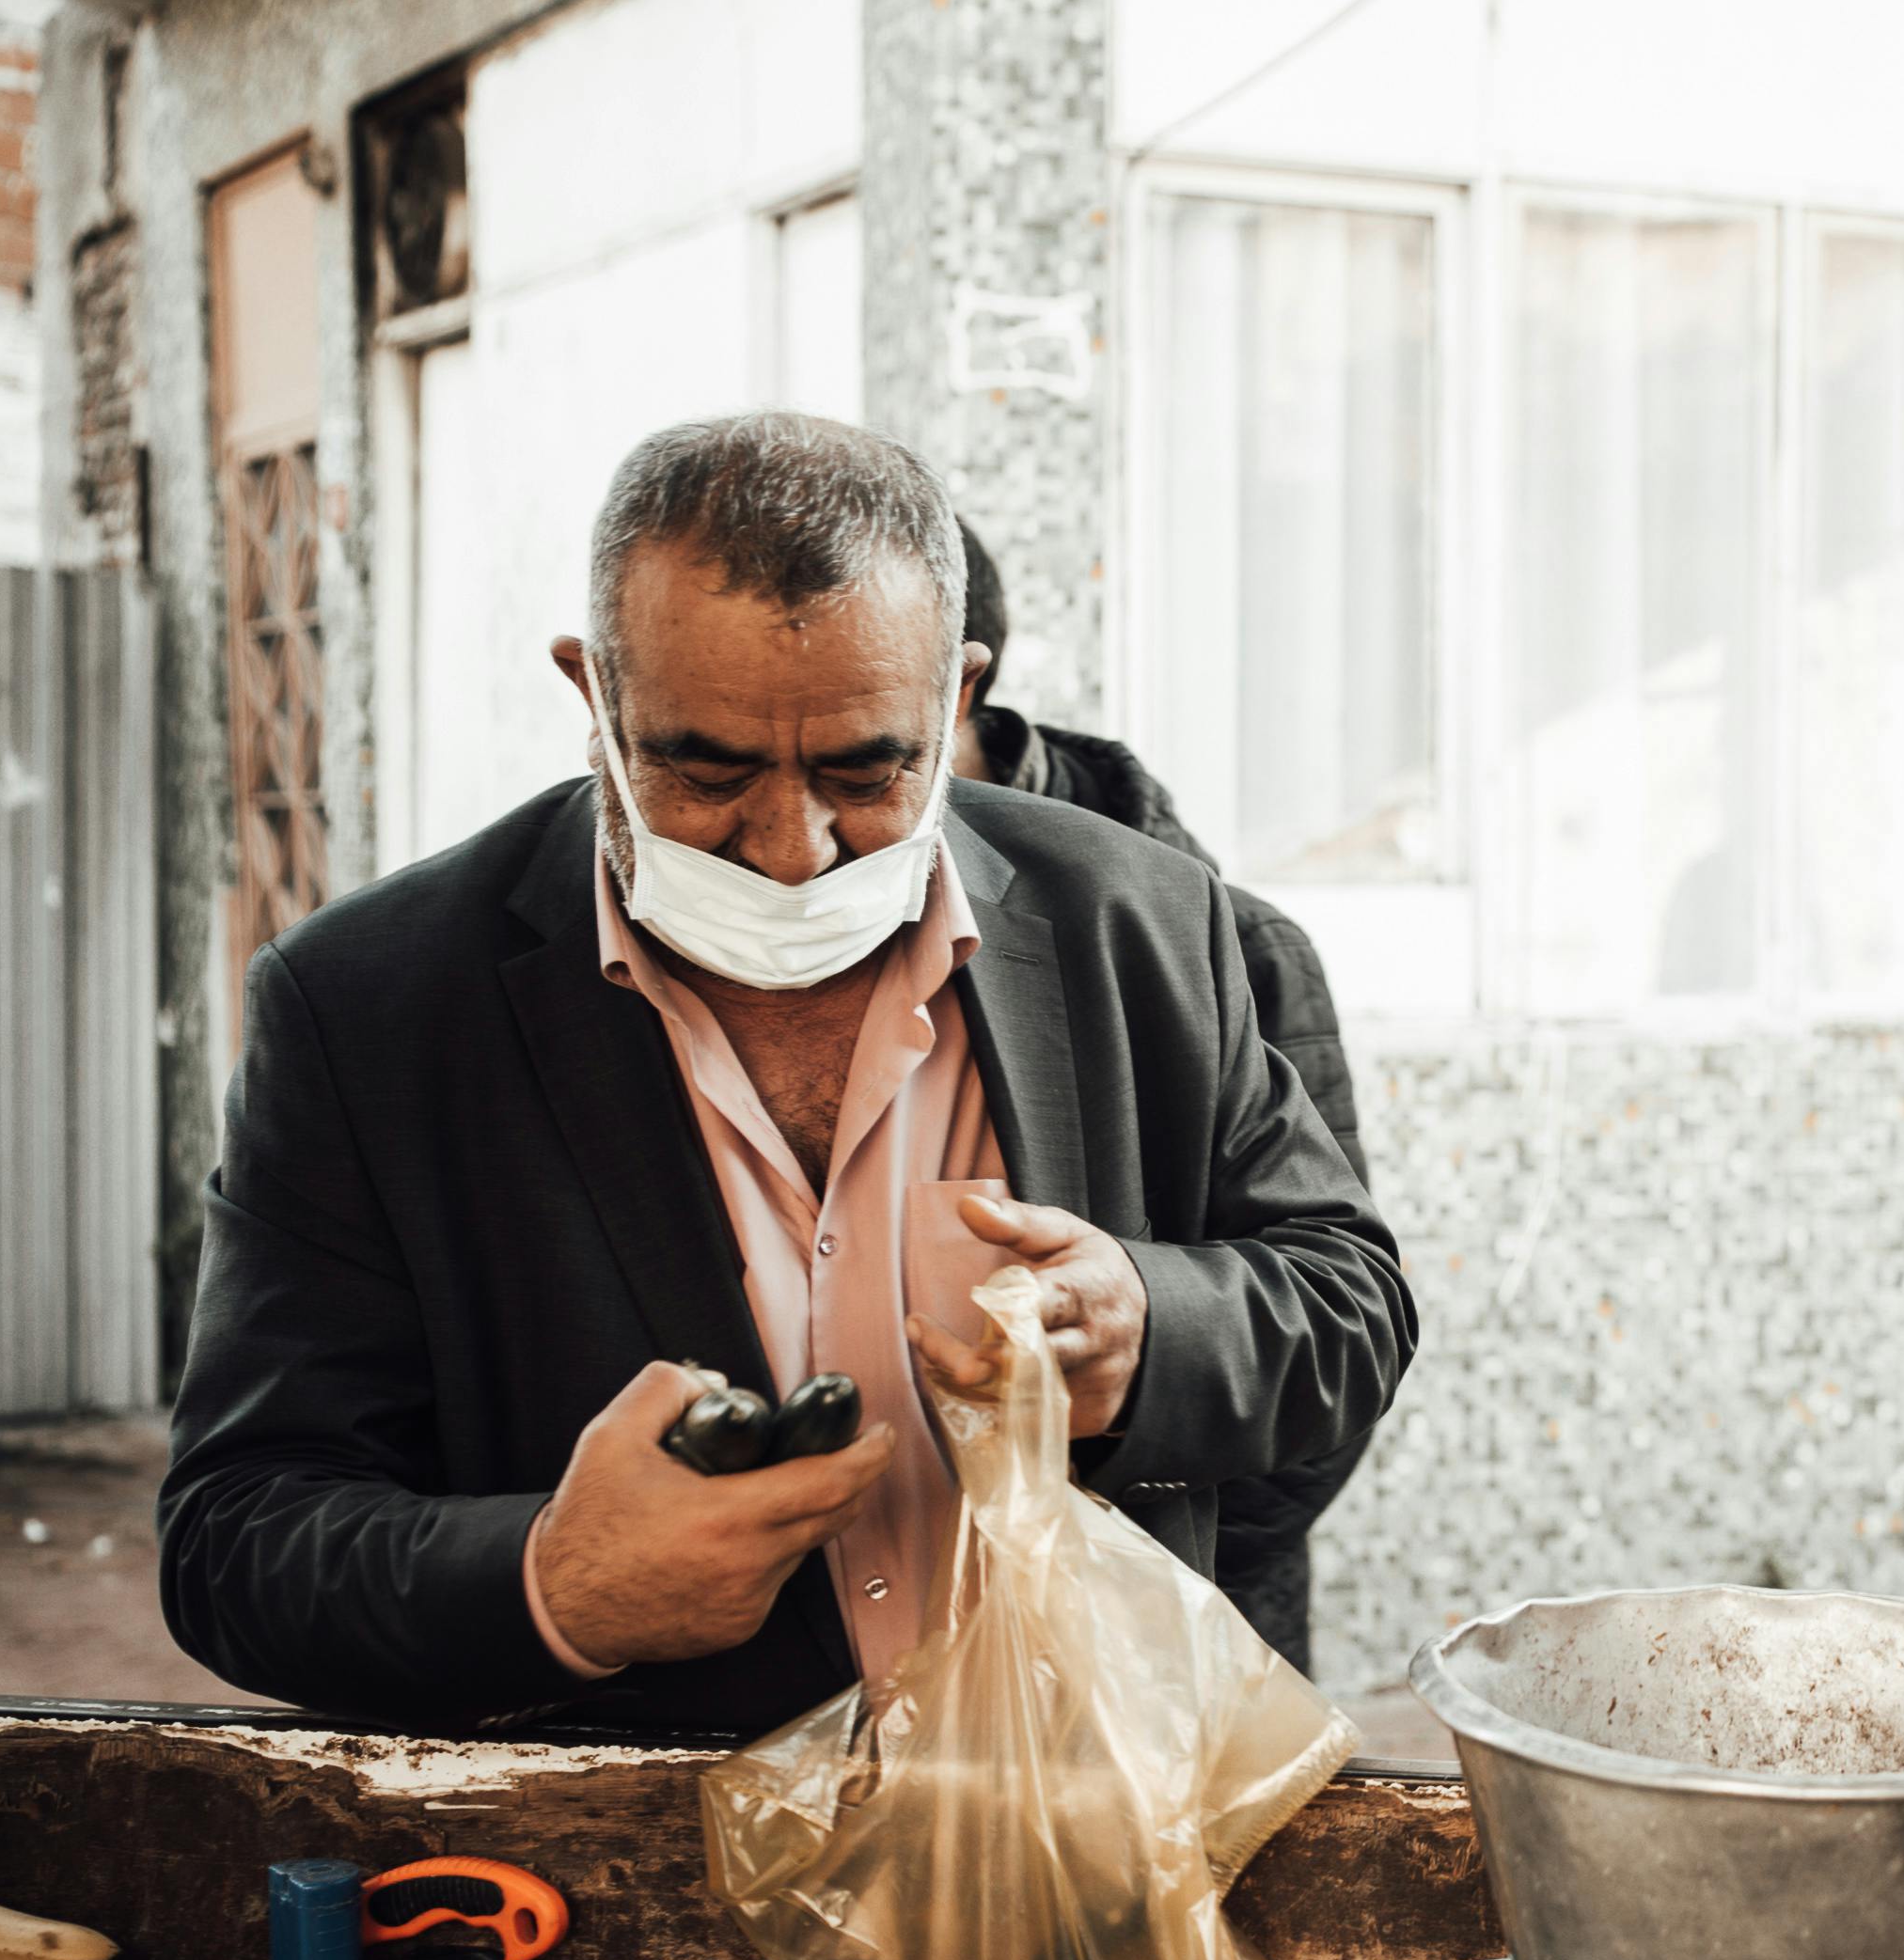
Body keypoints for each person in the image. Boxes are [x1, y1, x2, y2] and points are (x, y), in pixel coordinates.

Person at [158, 415, 1416, 1737]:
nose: (794, 848)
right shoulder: (369, 1006)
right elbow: (235, 1536)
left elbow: (1348, 1299)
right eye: (705, 768)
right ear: (592, 692)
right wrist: (553, 1583)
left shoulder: (1140, 919)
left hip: (1096, 1836)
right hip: (629, 1888)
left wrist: (1151, 1330)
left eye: (869, 770)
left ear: (959, 695)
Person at [949, 523, 1369, 1668]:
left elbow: (1336, 1319)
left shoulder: (1213, 939)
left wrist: (1150, 1560)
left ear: (955, 682)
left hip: (1174, 1655)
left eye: (853, 751)